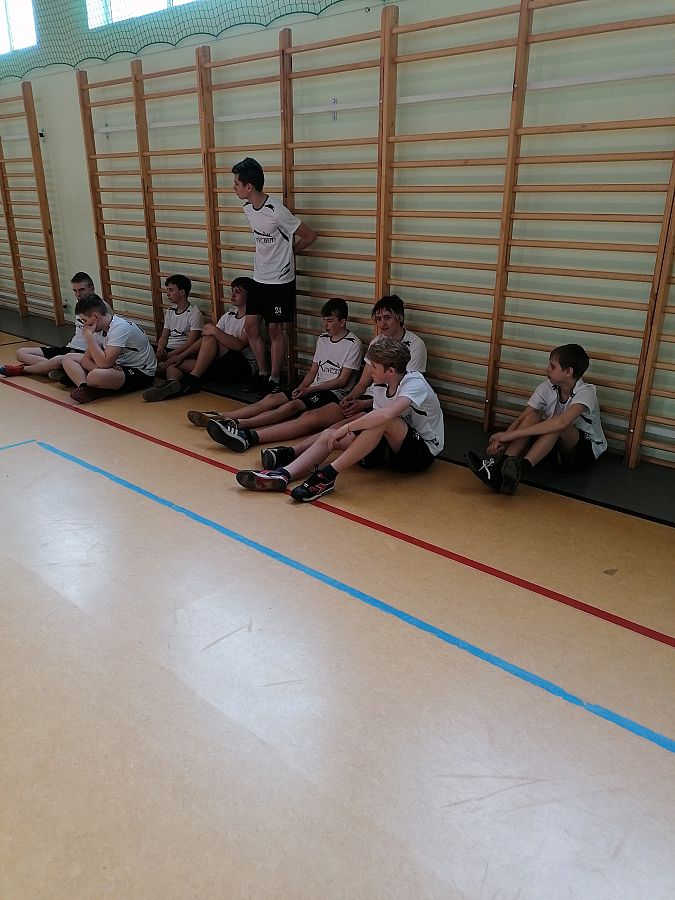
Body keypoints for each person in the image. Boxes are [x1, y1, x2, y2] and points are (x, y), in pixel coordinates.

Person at [235, 337, 444, 502]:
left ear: (390, 371)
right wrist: (339, 433)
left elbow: (385, 416)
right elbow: (373, 424)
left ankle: (327, 475)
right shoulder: (381, 386)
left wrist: (346, 428)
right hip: (391, 448)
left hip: (421, 453)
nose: (368, 371)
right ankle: (283, 474)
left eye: (373, 366)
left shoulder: (414, 383)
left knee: (383, 421)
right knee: (329, 435)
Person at [204, 298, 363, 451]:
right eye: (324, 320)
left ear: (342, 322)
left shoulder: (353, 343)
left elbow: (342, 381)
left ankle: (240, 424)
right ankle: (223, 416)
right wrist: (301, 387)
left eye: (330, 321)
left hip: (332, 392)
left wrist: (309, 390)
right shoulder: (322, 339)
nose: (325, 325)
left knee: (291, 406)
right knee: (272, 399)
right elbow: (313, 371)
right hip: (313, 387)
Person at [465, 343, 607, 496]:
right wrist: (503, 440)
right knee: (534, 416)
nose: (547, 369)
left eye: (552, 366)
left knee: (557, 424)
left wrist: (509, 435)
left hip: (583, 454)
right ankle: (500, 469)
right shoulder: (548, 386)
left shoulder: (586, 392)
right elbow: (525, 416)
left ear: (568, 372)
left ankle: (519, 470)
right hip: (555, 448)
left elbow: (561, 423)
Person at [231, 156, 316, 395]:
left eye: (236, 183)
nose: (234, 188)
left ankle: (275, 379)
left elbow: (310, 236)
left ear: (249, 186)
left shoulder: (277, 211)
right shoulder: (247, 208)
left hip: (279, 281)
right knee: (251, 327)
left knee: (274, 330)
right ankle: (262, 373)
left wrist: (289, 253)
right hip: (259, 278)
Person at [143, 277, 255, 401]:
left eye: (237, 292)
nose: (232, 295)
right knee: (175, 364)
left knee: (211, 337)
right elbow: (205, 338)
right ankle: (171, 384)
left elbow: (239, 345)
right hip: (221, 364)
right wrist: (179, 357)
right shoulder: (228, 315)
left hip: (241, 366)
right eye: (232, 291)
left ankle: (192, 380)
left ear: (249, 296)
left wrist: (214, 331)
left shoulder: (252, 318)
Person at [339, 294, 427, 418]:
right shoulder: (376, 341)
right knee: (329, 417)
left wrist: (363, 404)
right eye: (379, 319)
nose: (382, 323)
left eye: (387, 317)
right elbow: (363, 383)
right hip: (370, 397)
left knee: (348, 426)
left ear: (400, 317)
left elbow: (406, 392)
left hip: (393, 403)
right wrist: (350, 397)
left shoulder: (416, 345)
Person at [0, 272, 103, 379]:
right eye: (75, 290)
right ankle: (58, 370)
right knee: (21, 353)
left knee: (58, 360)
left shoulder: (100, 309)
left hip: (84, 352)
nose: (78, 294)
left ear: (92, 289)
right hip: (71, 347)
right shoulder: (80, 305)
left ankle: (24, 369)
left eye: (82, 290)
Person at [62, 294, 156, 404]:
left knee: (94, 376)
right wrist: (104, 367)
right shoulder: (98, 327)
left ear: (95, 316)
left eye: (85, 320)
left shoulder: (119, 328)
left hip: (140, 373)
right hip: (117, 367)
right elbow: (86, 360)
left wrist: (89, 338)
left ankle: (94, 385)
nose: (85, 325)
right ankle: (85, 387)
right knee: (68, 358)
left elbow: (104, 363)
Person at [154, 274, 203, 376]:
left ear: (182, 292)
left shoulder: (194, 313)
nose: (168, 294)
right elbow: (164, 335)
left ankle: (169, 375)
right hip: (168, 350)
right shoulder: (170, 311)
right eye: (167, 290)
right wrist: (160, 349)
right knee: (148, 359)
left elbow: (191, 343)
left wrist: (170, 355)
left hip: (183, 352)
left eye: (171, 290)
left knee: (172, 366)